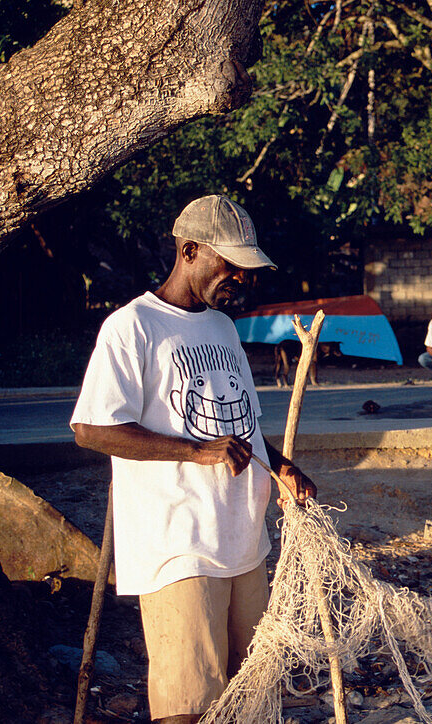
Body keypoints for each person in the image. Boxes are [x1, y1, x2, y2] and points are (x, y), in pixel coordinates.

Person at [70, 195, 317, 724]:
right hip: (178, 546)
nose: (240, 279)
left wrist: (281, 467)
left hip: (244, 539)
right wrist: (195, 452)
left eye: (246, 269)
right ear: (188, 251)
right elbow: (91, 428)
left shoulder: (223, 329)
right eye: (230, 265)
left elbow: (242, 425)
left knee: (251, 691)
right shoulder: (132, 326)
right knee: (189, 701)